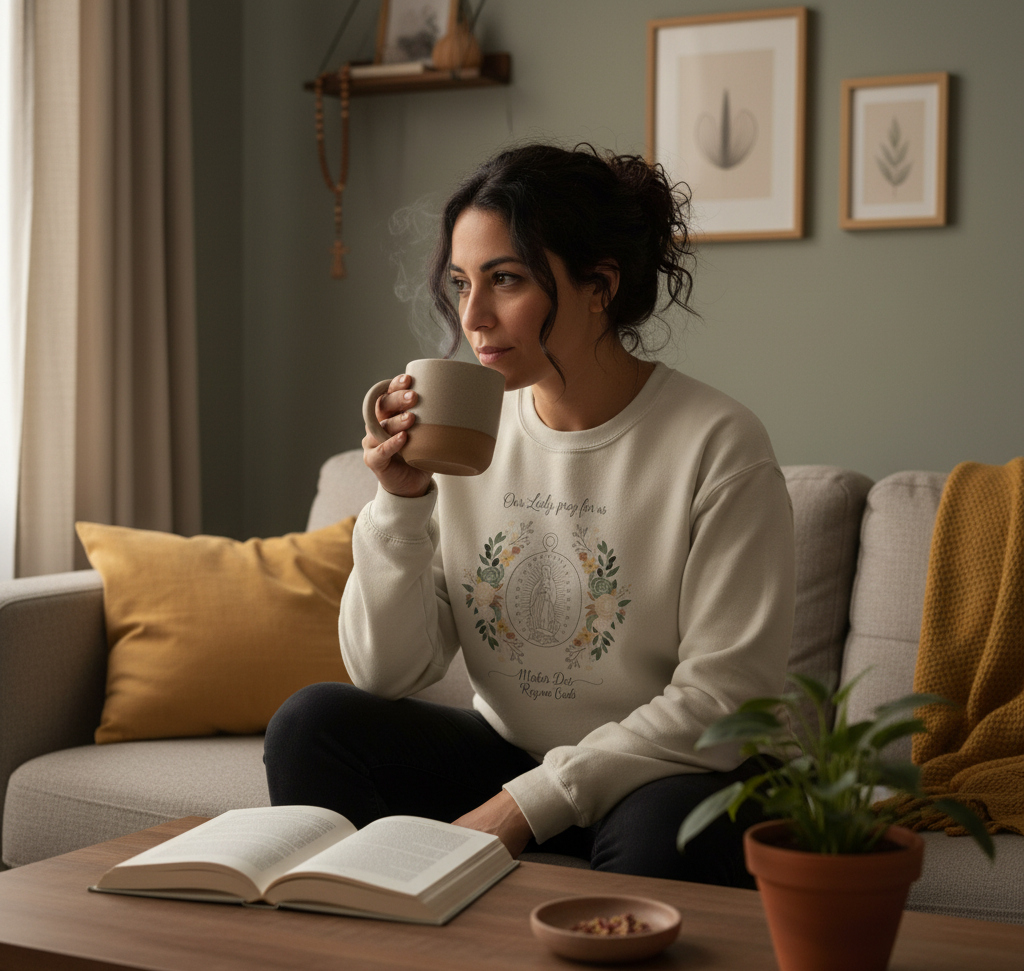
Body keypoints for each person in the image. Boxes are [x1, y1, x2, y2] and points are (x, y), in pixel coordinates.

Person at [264, 143, 795, 886]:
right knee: (313, 726)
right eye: (461, 283)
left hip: (671, 772)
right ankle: (372, 958)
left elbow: (720, 703)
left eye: (504, 280)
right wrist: (400, 502)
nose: (473, 316)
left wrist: (521, 809)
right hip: (514, 754)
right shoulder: (473, 437)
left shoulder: (717, 443)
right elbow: (387, 672)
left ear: (599, 286)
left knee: (661, 832)